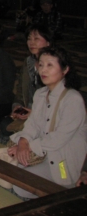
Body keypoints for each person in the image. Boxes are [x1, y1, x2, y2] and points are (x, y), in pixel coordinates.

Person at [8, 47, 86, 198]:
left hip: (63, 161)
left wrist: (29, 146)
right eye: (41, 64)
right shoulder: (41, 94)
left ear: (65, 70)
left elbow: (59, 138)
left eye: (50, 65)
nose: (43, 70)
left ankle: (67, 188)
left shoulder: (73, 99)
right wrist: (23, 142)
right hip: (43, 155)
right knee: (11, 174)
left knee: (20, 185)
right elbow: (33, 124)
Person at [0, 25, 52, 136]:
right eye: (29, 39)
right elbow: (20, 89)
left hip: (47, 113)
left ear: (48, 42)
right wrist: (17, 107)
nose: (31, 43)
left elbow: (56, 100)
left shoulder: (54, 65)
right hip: (28, 108)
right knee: (5, 125)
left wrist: (34, 113)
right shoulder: (28, 62)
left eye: (36, 39)